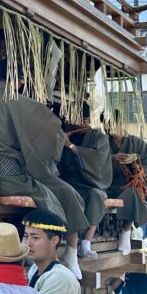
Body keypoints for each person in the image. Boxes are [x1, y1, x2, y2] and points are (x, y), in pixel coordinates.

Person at [0, 60, 88, 278]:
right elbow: (48, 129)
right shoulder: (14, 100)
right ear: (20, 80)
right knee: (61, 193)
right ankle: (66, 253)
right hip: (8, 178)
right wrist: (64, 142)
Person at [58, 104, 113, 259]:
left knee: (97, 196)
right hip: (68, 181)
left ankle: (86, 244)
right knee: (66, 193)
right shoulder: (66, 133)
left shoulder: (99, 138)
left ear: (87, 120)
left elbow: (98, 160)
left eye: (81, 119)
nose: (77, 123)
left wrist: (71, 146)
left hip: (91, 184)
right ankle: (70, 247)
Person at [104, 115, 147, 253]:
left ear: (123, 125)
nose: (111, 128)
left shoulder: (138, 144)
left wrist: (136, 167)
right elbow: (95, 162)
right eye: (108, 124)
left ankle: (126, 232)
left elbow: (145, 168)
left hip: (130, 184)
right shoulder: (102, 143)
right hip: (108, 184)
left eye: (115, 124)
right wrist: (111, 158)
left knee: (133, 193)